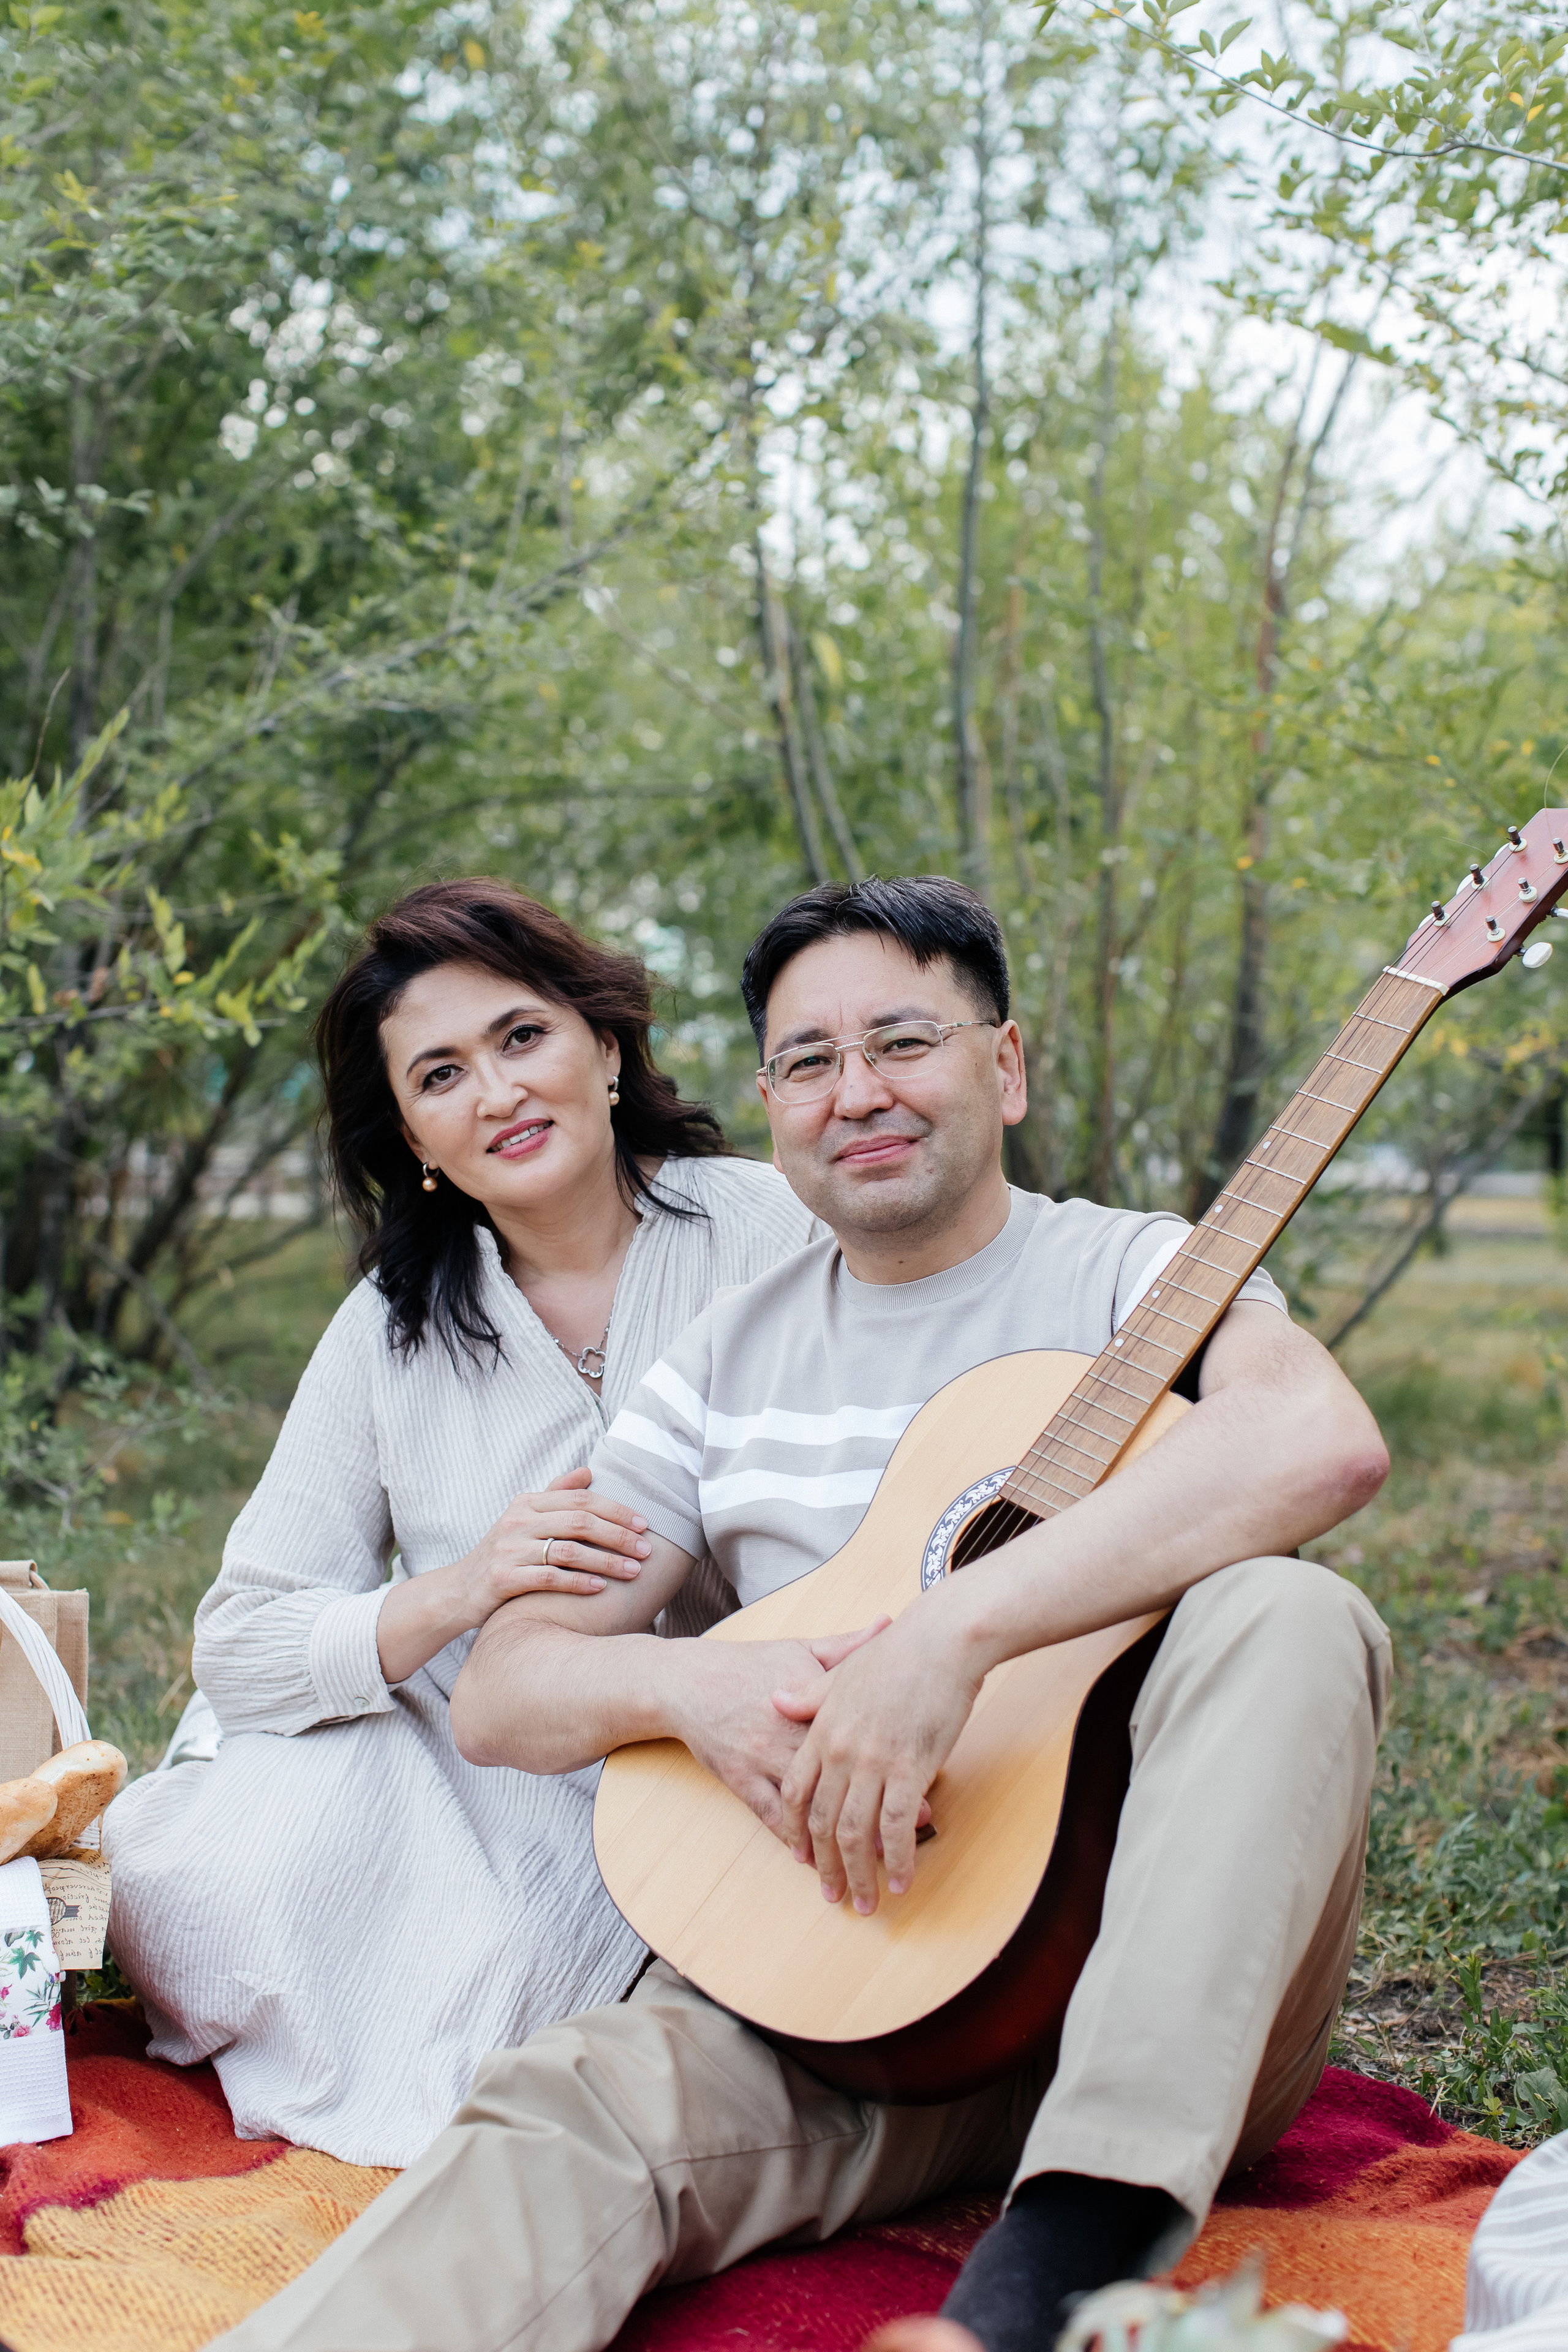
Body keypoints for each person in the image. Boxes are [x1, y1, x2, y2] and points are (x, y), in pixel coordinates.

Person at [209, 873, 1392, 2352]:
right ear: (769, 1101)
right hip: (863, 2008)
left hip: (1175, 2010)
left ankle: (1055, 2273)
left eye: (903, 1041)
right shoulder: (719, 1357)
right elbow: (508, 1692)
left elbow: (1317, 1446)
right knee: (568, 2107)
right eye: (809, 1062)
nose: (857, 1093)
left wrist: (952, 1636)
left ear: (1004, 1064)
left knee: (1284, 1612)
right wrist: (690, 1690)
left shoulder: (1132, 1272)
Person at [103, 878, 818, 2166]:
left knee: (542, 2004)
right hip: (469, 1754)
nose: (495, 1093)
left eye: (521, 1037)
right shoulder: (392, 1325)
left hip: (729, 1737)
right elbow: (244, 1640)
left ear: (605, 1047)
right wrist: (462, 1587)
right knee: (203, 1889)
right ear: (417, 1141)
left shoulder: (771, 1227)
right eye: (440, 1076)